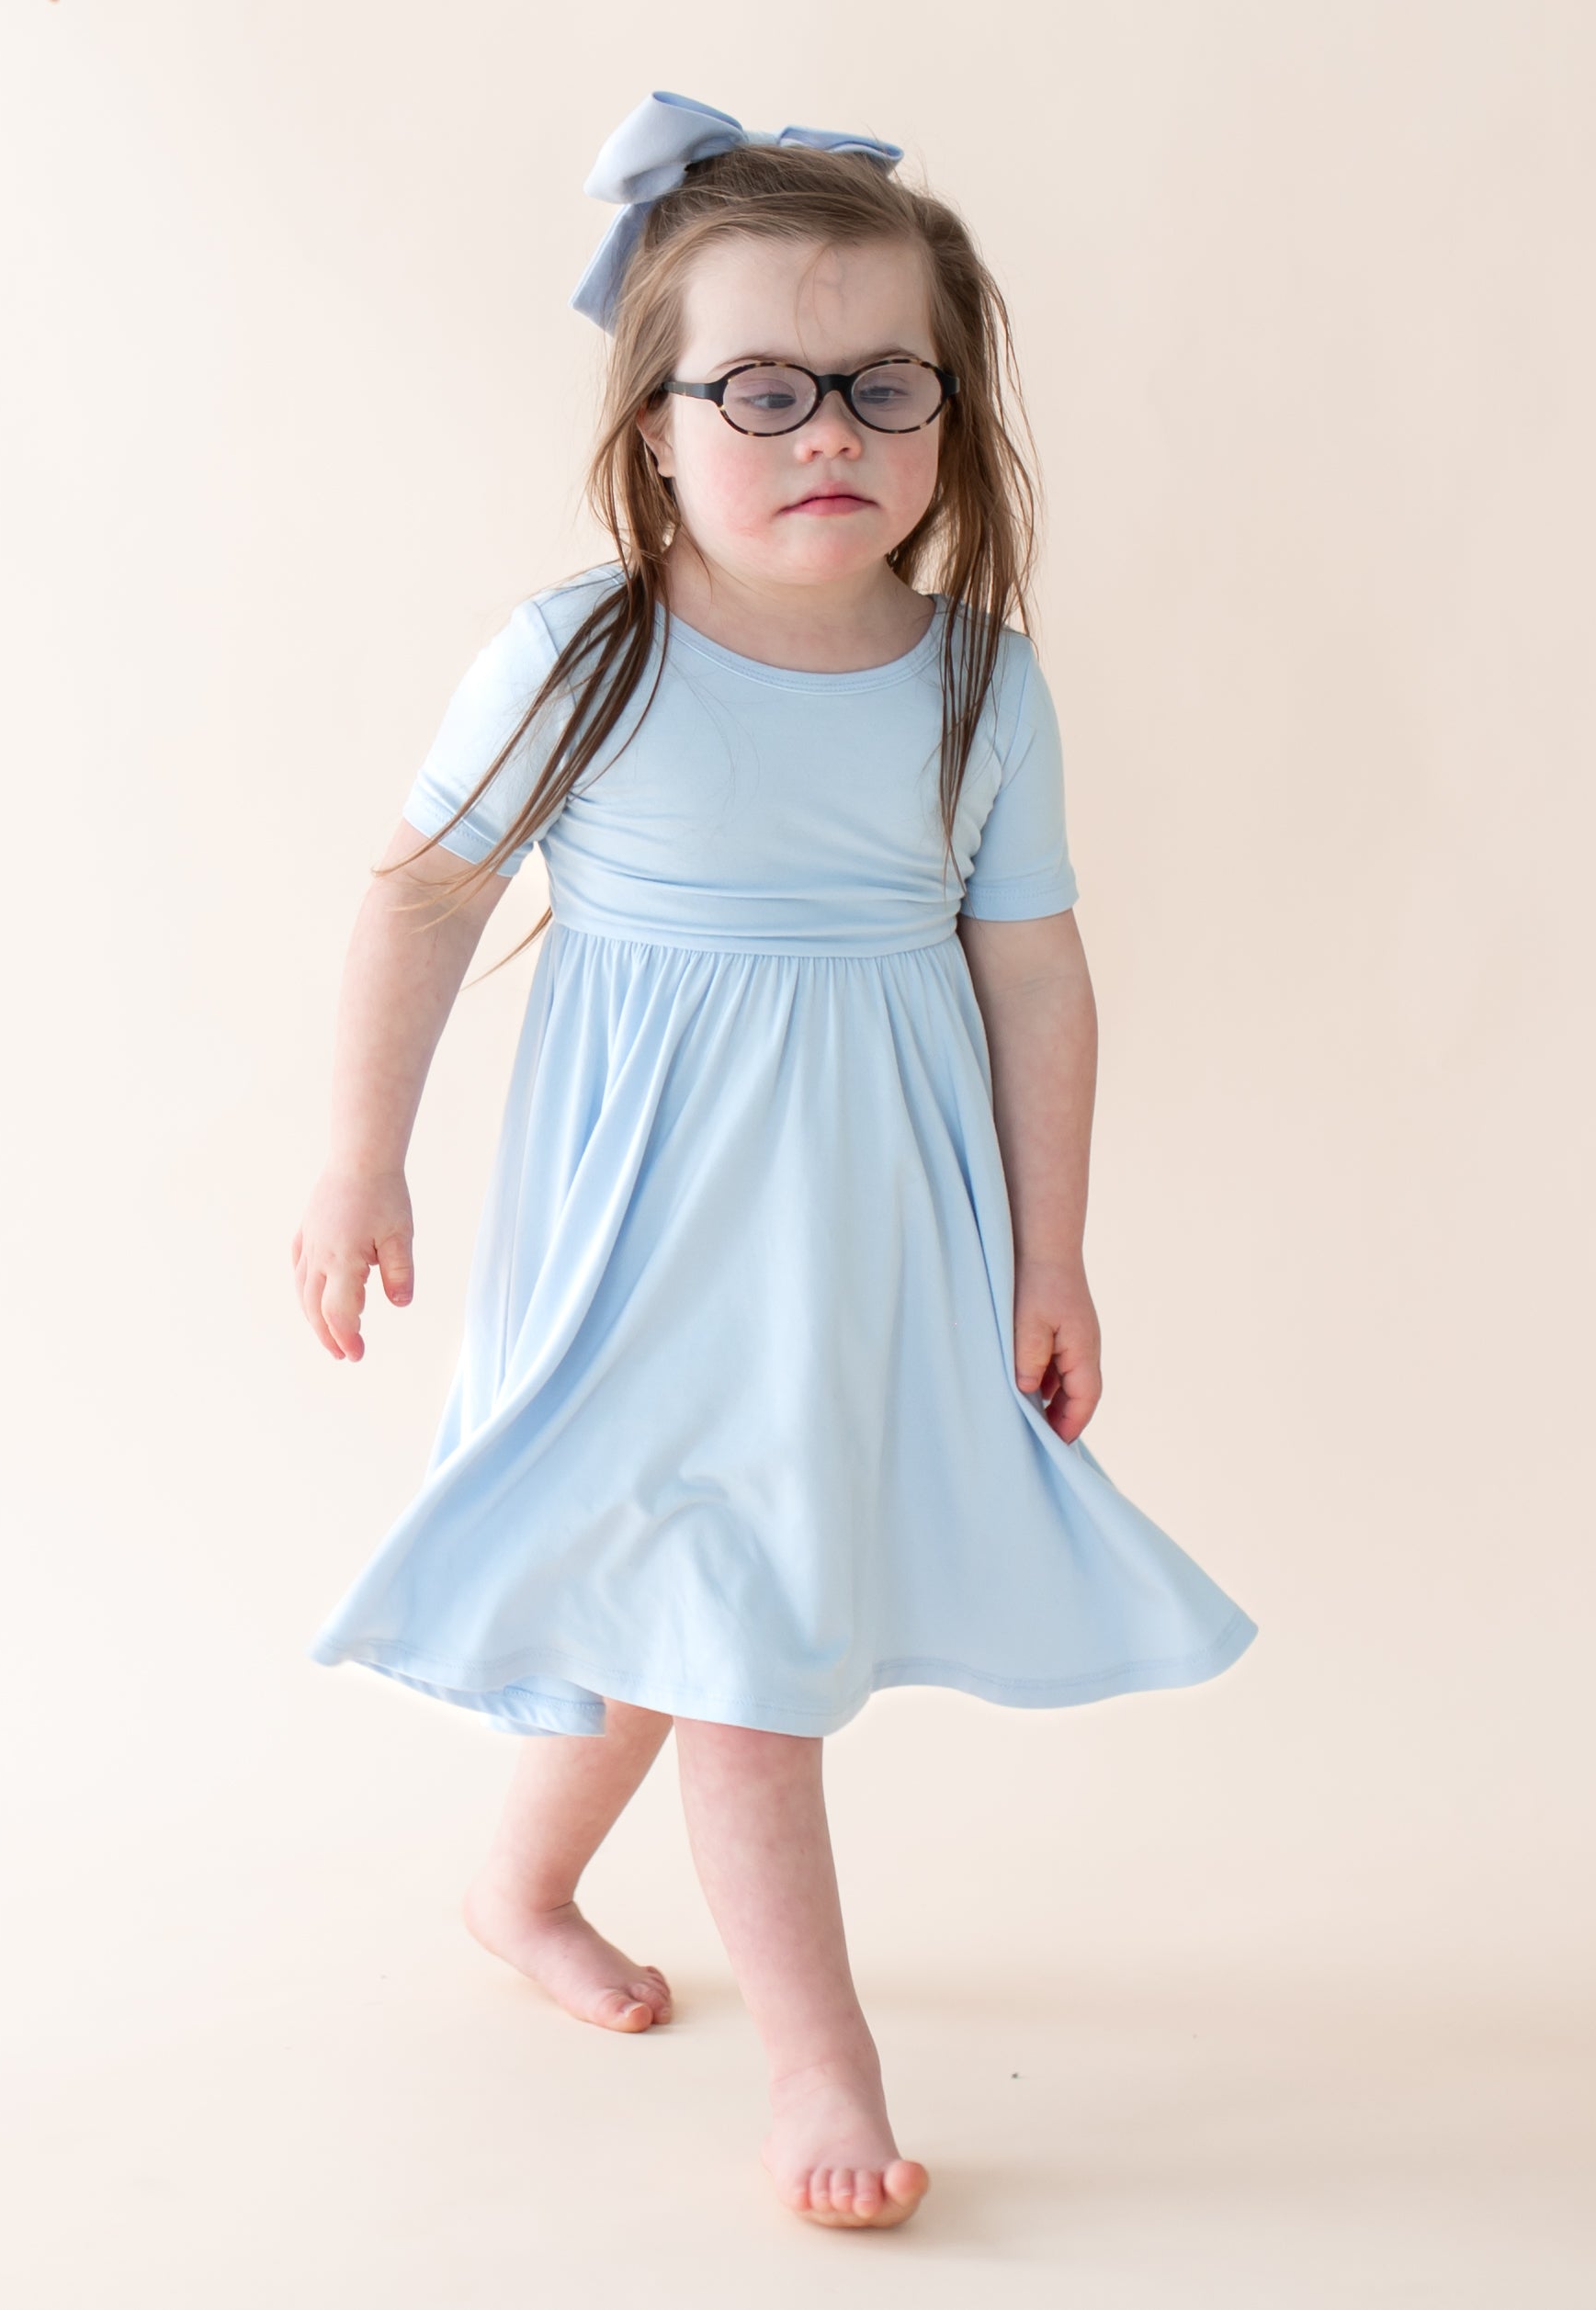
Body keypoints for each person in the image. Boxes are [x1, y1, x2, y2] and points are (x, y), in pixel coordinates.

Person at [291, 91, 1259, 2230]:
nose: (826, 430)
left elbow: (1035, 975)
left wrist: (1055, 1252)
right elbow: (426, 895)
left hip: (861, 1231)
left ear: (950, 417)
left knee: (703, 1584)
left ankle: (517, 1883)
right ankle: (822, 2056)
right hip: (641, 1222)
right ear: (655, 424)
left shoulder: (977, 688)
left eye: (882, 387)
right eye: (761, 389)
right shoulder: (586, 650)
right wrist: (363, 1160)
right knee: (732, 1616)